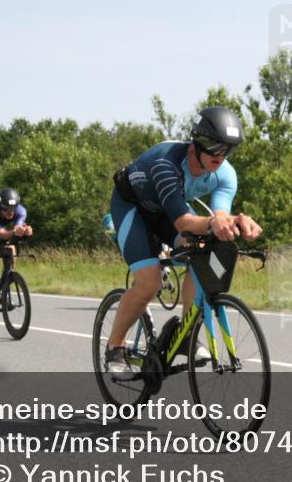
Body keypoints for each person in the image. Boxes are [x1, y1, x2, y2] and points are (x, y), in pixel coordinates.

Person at [106, 106, 262, 373]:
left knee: (202, 250)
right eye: (214, 146)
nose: (220, 155)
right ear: (196, 144)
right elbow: (183, 222)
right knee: (149, 282)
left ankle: (186, 335)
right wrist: (213, 222)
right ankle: (114, 348)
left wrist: (234, 222)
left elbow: (219, 217)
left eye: (228, 149)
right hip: (133, 209)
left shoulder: (226, 174)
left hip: (166, 211)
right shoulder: (166, 164)